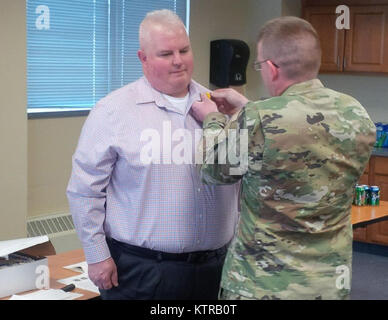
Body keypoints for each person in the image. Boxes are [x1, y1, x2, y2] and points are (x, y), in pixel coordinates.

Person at [191, 16, 376, 300]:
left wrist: (214, 120)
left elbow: (213, 170)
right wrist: (249, 109)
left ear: (272, 68)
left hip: (262, 285)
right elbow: (299, 129)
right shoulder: (357, 113)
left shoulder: (259, 119)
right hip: (328, 284)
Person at [66, 9, 239, 300]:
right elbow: (85, 191)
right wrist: (96, 255)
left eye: (184, 50)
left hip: (216, 268)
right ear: (143, 58)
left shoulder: (220, 108)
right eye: (165, 53)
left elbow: (245, 179)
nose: (178, 60)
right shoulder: (113, 111)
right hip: (141, 271)